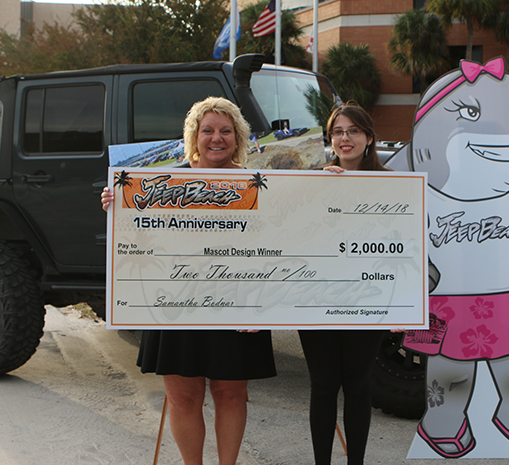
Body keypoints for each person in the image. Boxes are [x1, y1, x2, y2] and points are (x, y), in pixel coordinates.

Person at [102, 96, 276, 465]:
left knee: (230, 394)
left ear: (237, 136)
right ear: (194, 136)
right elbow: (135, 236)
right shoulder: (161, 182)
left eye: (225, 130)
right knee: (183, 398)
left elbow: (281, 240)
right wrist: (116, 202)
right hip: (174, 302)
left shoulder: (259, 184)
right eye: (208, 130)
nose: (217, 138)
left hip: (236, 302)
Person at [298, 102, 387, 465]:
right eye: (337, 131)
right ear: (330, 139)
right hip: (316, 297)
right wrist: (317, 190)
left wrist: (405, 303)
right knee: (322, 386)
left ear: (368, 137)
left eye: (353, 130)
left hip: (366, 297)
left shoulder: (394, 185)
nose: (345, 138)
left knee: (358, 386)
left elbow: (406, 247)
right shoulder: (310, 183)